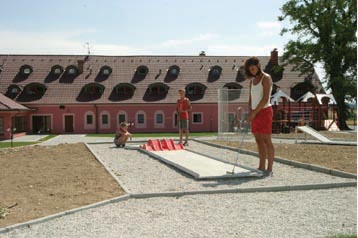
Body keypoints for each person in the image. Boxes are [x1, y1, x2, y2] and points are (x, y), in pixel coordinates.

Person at [245, 57, 275, 176]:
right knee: (258, 140)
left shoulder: (266, 78)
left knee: (267, 140)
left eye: (253, 69)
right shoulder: (251, 81)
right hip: (254, 112)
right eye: (250, 70)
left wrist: (254, 112)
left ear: (258, 65)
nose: (252, 71)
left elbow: (265, 98)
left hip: (265, 111)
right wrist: (249, 111)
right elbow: (251, 98)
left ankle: (270, 168)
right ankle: (261, 166)